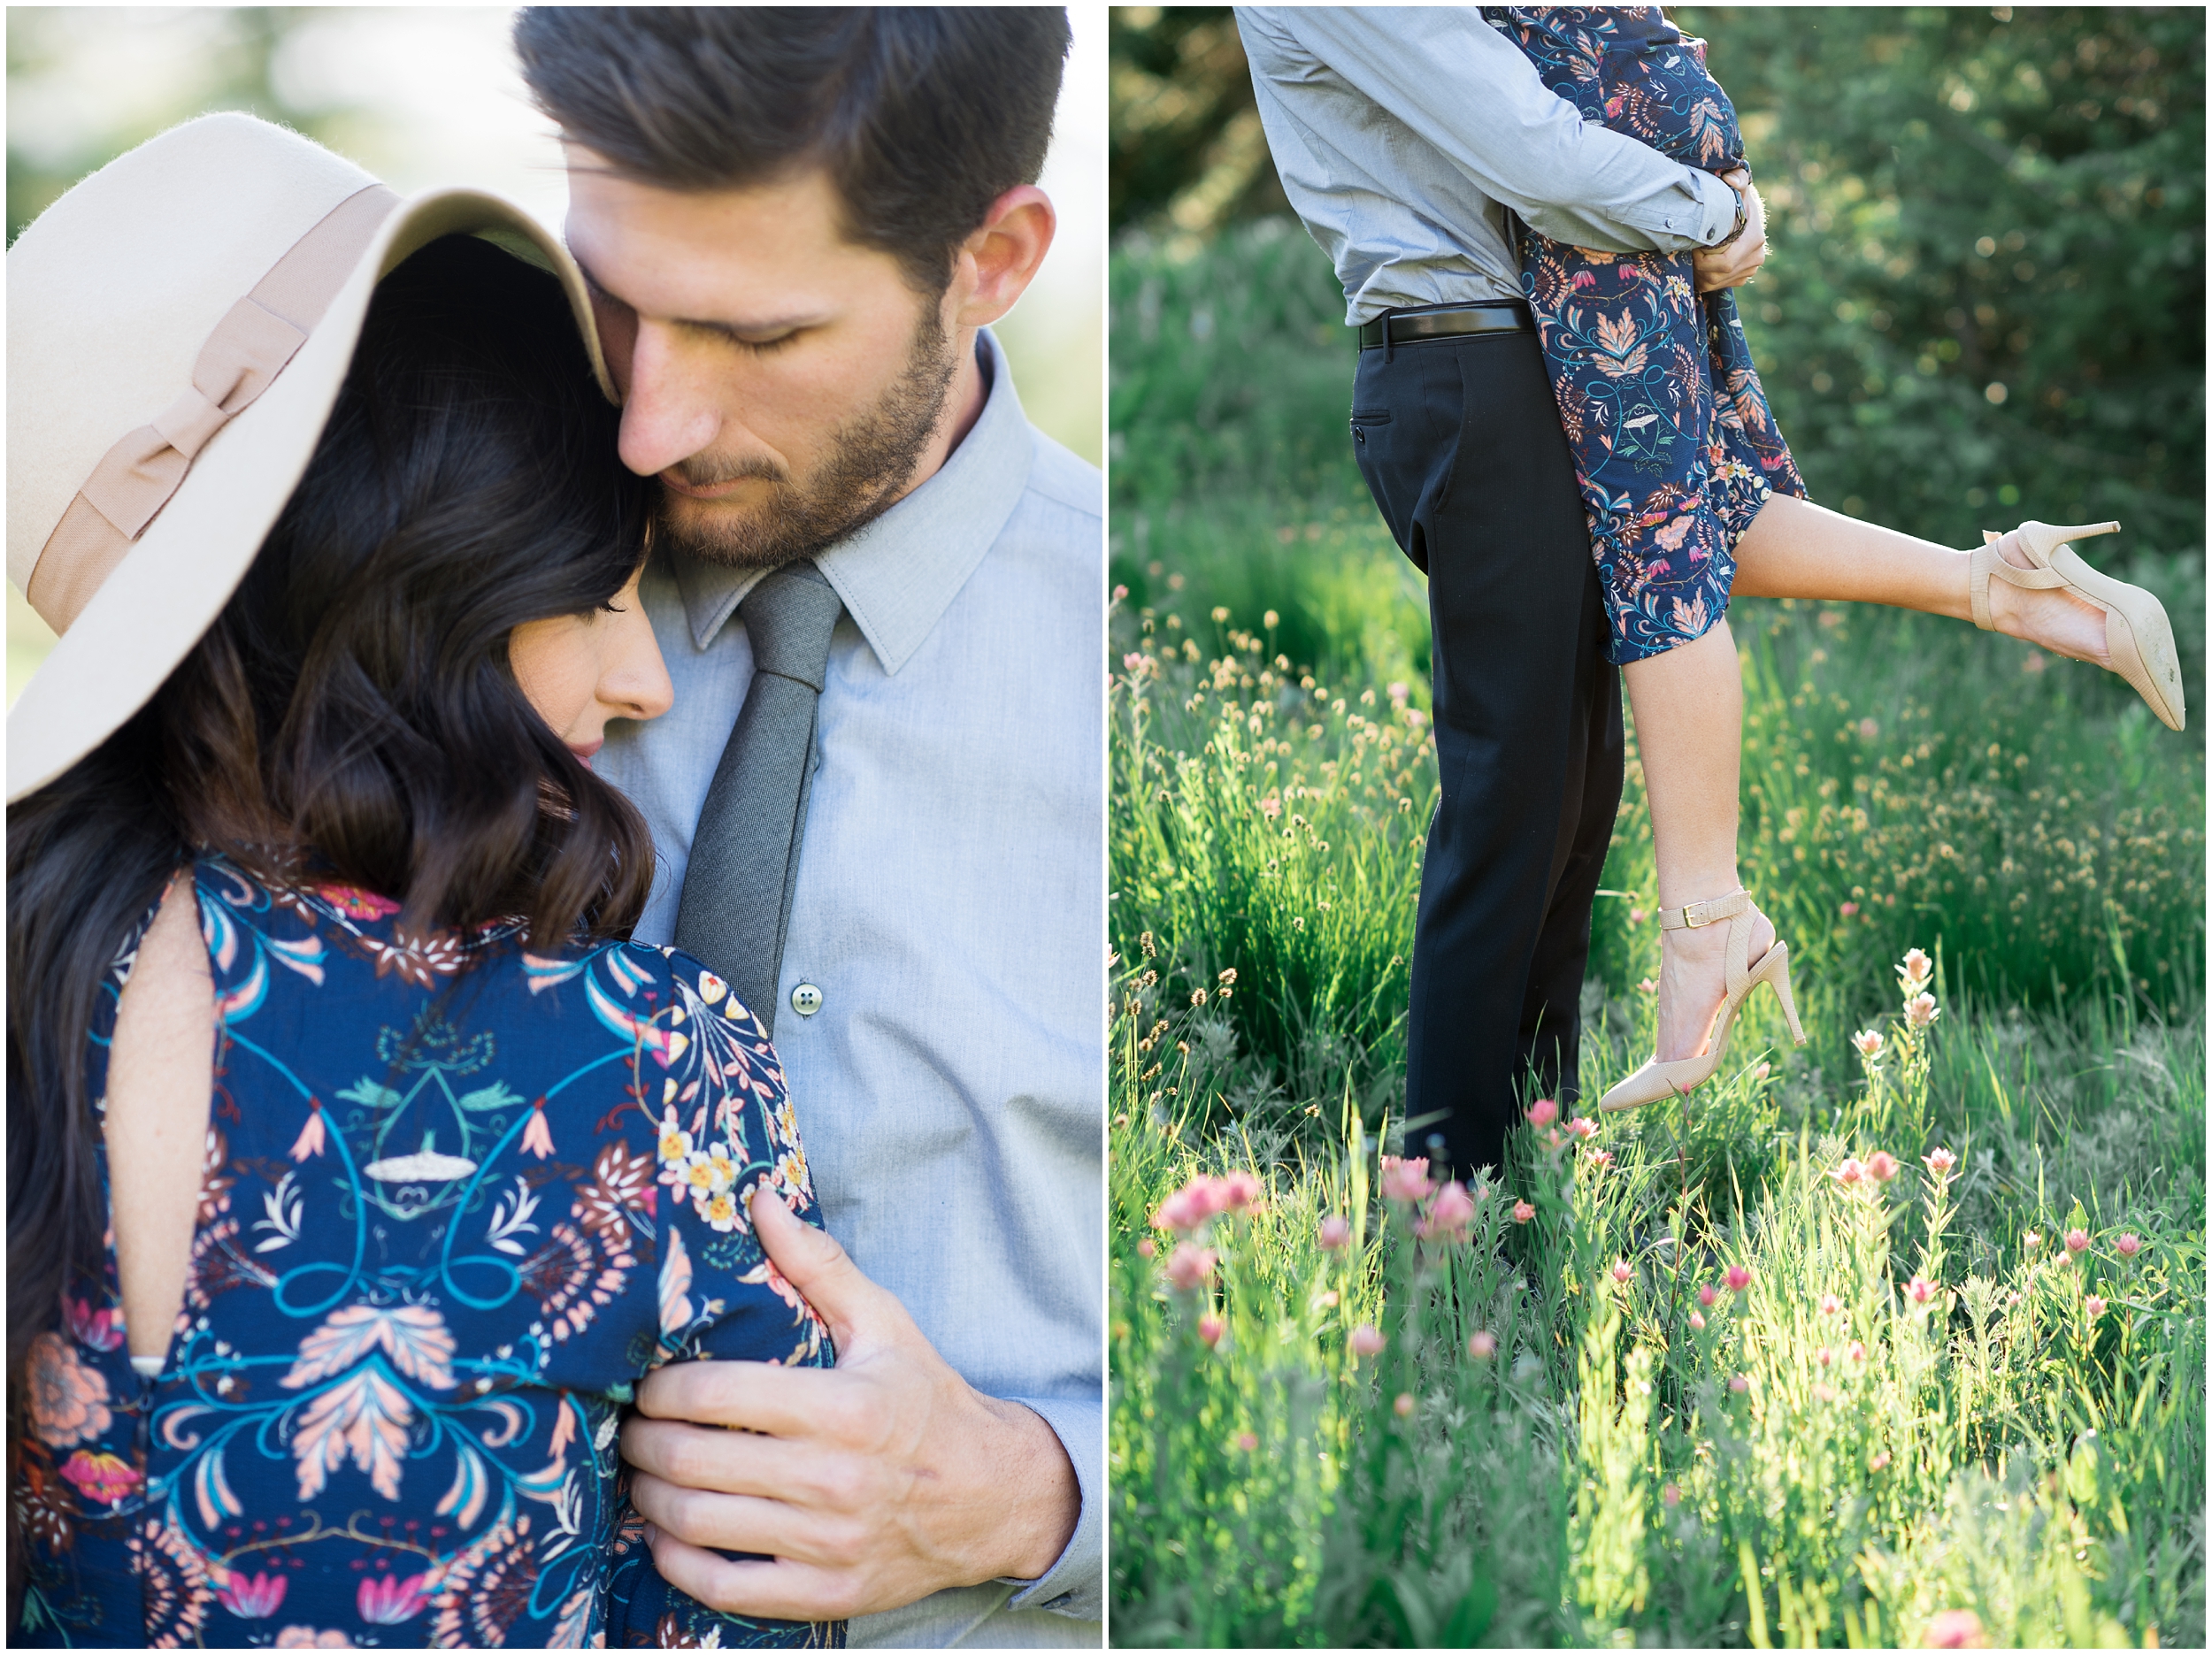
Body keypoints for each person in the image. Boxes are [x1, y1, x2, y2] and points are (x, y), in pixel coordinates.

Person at [7, 114, 841, 1649]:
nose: (646, 674)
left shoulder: (30, 977)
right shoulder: (647, 1064)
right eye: (593, 590)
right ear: (412, 589)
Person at [511, 9, 1104, 1645]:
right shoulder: (451, 583)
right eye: (615, 297)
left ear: (992, 257)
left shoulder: (1159, 670)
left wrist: (1041, 1493)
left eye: (753, 335)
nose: (649, 423)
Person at [1483, 7, 2185, 1112]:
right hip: (1638, 83)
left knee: (1653, 541)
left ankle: (1706, 927)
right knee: (1709, 502)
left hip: (1588, 122)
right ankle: (2006, 583)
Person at [1233, 6, 1772, 1182]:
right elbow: (1535, 152)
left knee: (1572, 801)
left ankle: (1534, 1158)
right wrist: (1717, 210)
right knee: (1510, 805)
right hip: (1464, 365)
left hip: (1527, 367)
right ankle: (1449, 1198)